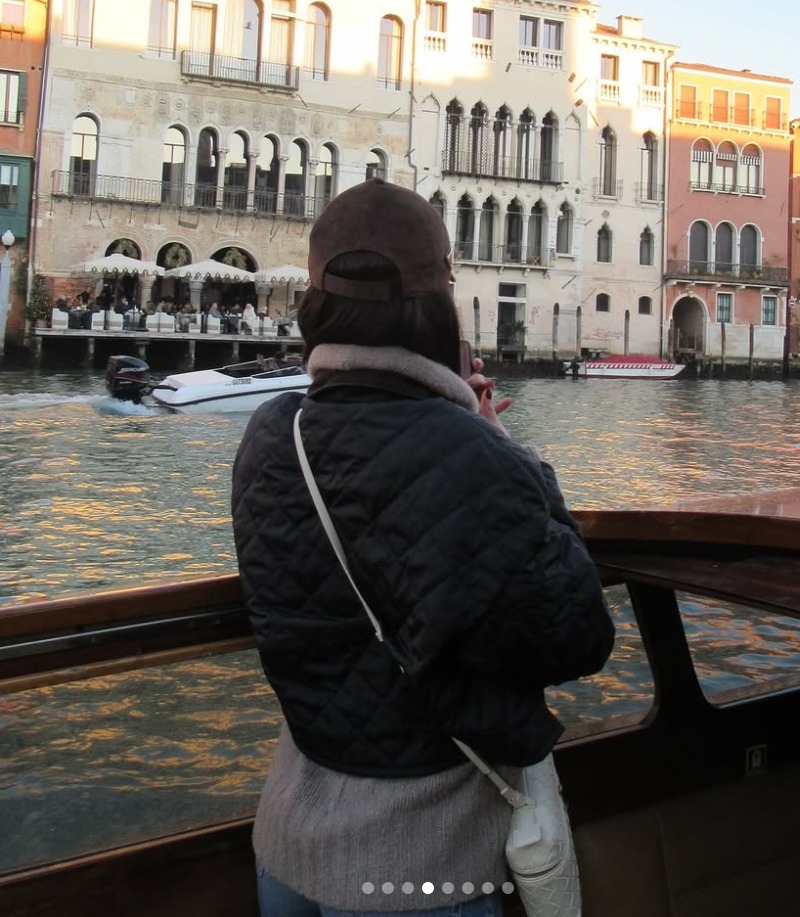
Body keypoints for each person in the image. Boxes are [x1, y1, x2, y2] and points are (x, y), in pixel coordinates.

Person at [231, 178, 614, 917]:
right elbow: (577, 634)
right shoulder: (473, 455)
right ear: (437, 306)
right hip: (421, 865)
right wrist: (508, 447)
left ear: (317, 305)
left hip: (288, 847)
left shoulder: (272, 436)